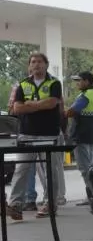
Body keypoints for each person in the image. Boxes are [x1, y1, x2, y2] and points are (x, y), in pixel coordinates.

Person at [8, 52, 66, 220]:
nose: (36, 65)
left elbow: (52, 103)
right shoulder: (23, 84)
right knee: (21, 170)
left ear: (46, 65)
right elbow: (17, 108)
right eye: (33, 62)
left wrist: (30, 104)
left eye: (40, 62)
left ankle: (50, 204)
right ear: (29, 66)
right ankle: (15, 206)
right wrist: (40, 105)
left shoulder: (54, 83)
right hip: (26, 134)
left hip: (50, 134)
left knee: (51, 171)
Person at [63, 71, 93, 201]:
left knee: (85, 168)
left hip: (82, 136)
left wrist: (62, 112)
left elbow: (70, 113)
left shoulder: (85, 96)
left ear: (87, 81)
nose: (77, 84)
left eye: (79, 81)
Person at [7, 84, 38, 210]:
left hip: (31, 134)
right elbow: (13, 111)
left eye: (13, 98)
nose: (11, 101)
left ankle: (29, 199)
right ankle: (21, 201)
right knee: (25, 168)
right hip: (22, 134)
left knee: (28, 168)